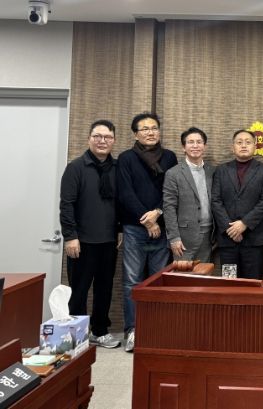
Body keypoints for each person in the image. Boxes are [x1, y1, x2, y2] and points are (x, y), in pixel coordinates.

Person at [117, 112, 178, 352]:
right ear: (135, 134)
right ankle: (133, 330)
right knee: (132, 281)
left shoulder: (170, 157)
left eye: (154, 128)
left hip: (162, 228)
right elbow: (125, 193)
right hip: (135, 228)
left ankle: (156, 330)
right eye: (145, 129)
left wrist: (158, 213)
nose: (150, 132)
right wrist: (147, 220)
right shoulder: (126, 158)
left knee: (158, 281)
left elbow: (171, 191)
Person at [59, 119, 120, 348]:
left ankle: (100, 331)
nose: (102, 141)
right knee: (79, 290)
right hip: (81, 241)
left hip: (109, 241)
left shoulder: (117, 168)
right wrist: (70, 236)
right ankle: (77, 336)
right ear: (89, 139)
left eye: (107, 137)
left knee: (104, 289)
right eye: (97, 136)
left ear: (113, 141)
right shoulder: (76, 167)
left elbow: (120, 203)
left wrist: (120, 229)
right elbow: (66, 204)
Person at [210, 129, 263, 279]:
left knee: (253, 282)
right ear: (232, 147)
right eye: (239, 142)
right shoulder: (221, 170)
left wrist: (244, 223)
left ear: (255, 146)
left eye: (248, 142)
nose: (243, 145)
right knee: (229, 281)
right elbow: (216, 201)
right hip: (228, 240)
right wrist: (230, 228)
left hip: (254, 240)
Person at [163, 127, 215, 262]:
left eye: (199, 142)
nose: (195, 145)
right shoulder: (173, 173)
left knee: (204, 273)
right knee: (183, 274)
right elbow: (169, 207)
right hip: (183, 239)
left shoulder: (212, 171)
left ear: (205, 146)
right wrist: (174, 238)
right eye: (191, 142)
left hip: (209, 236)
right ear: (183, 147)